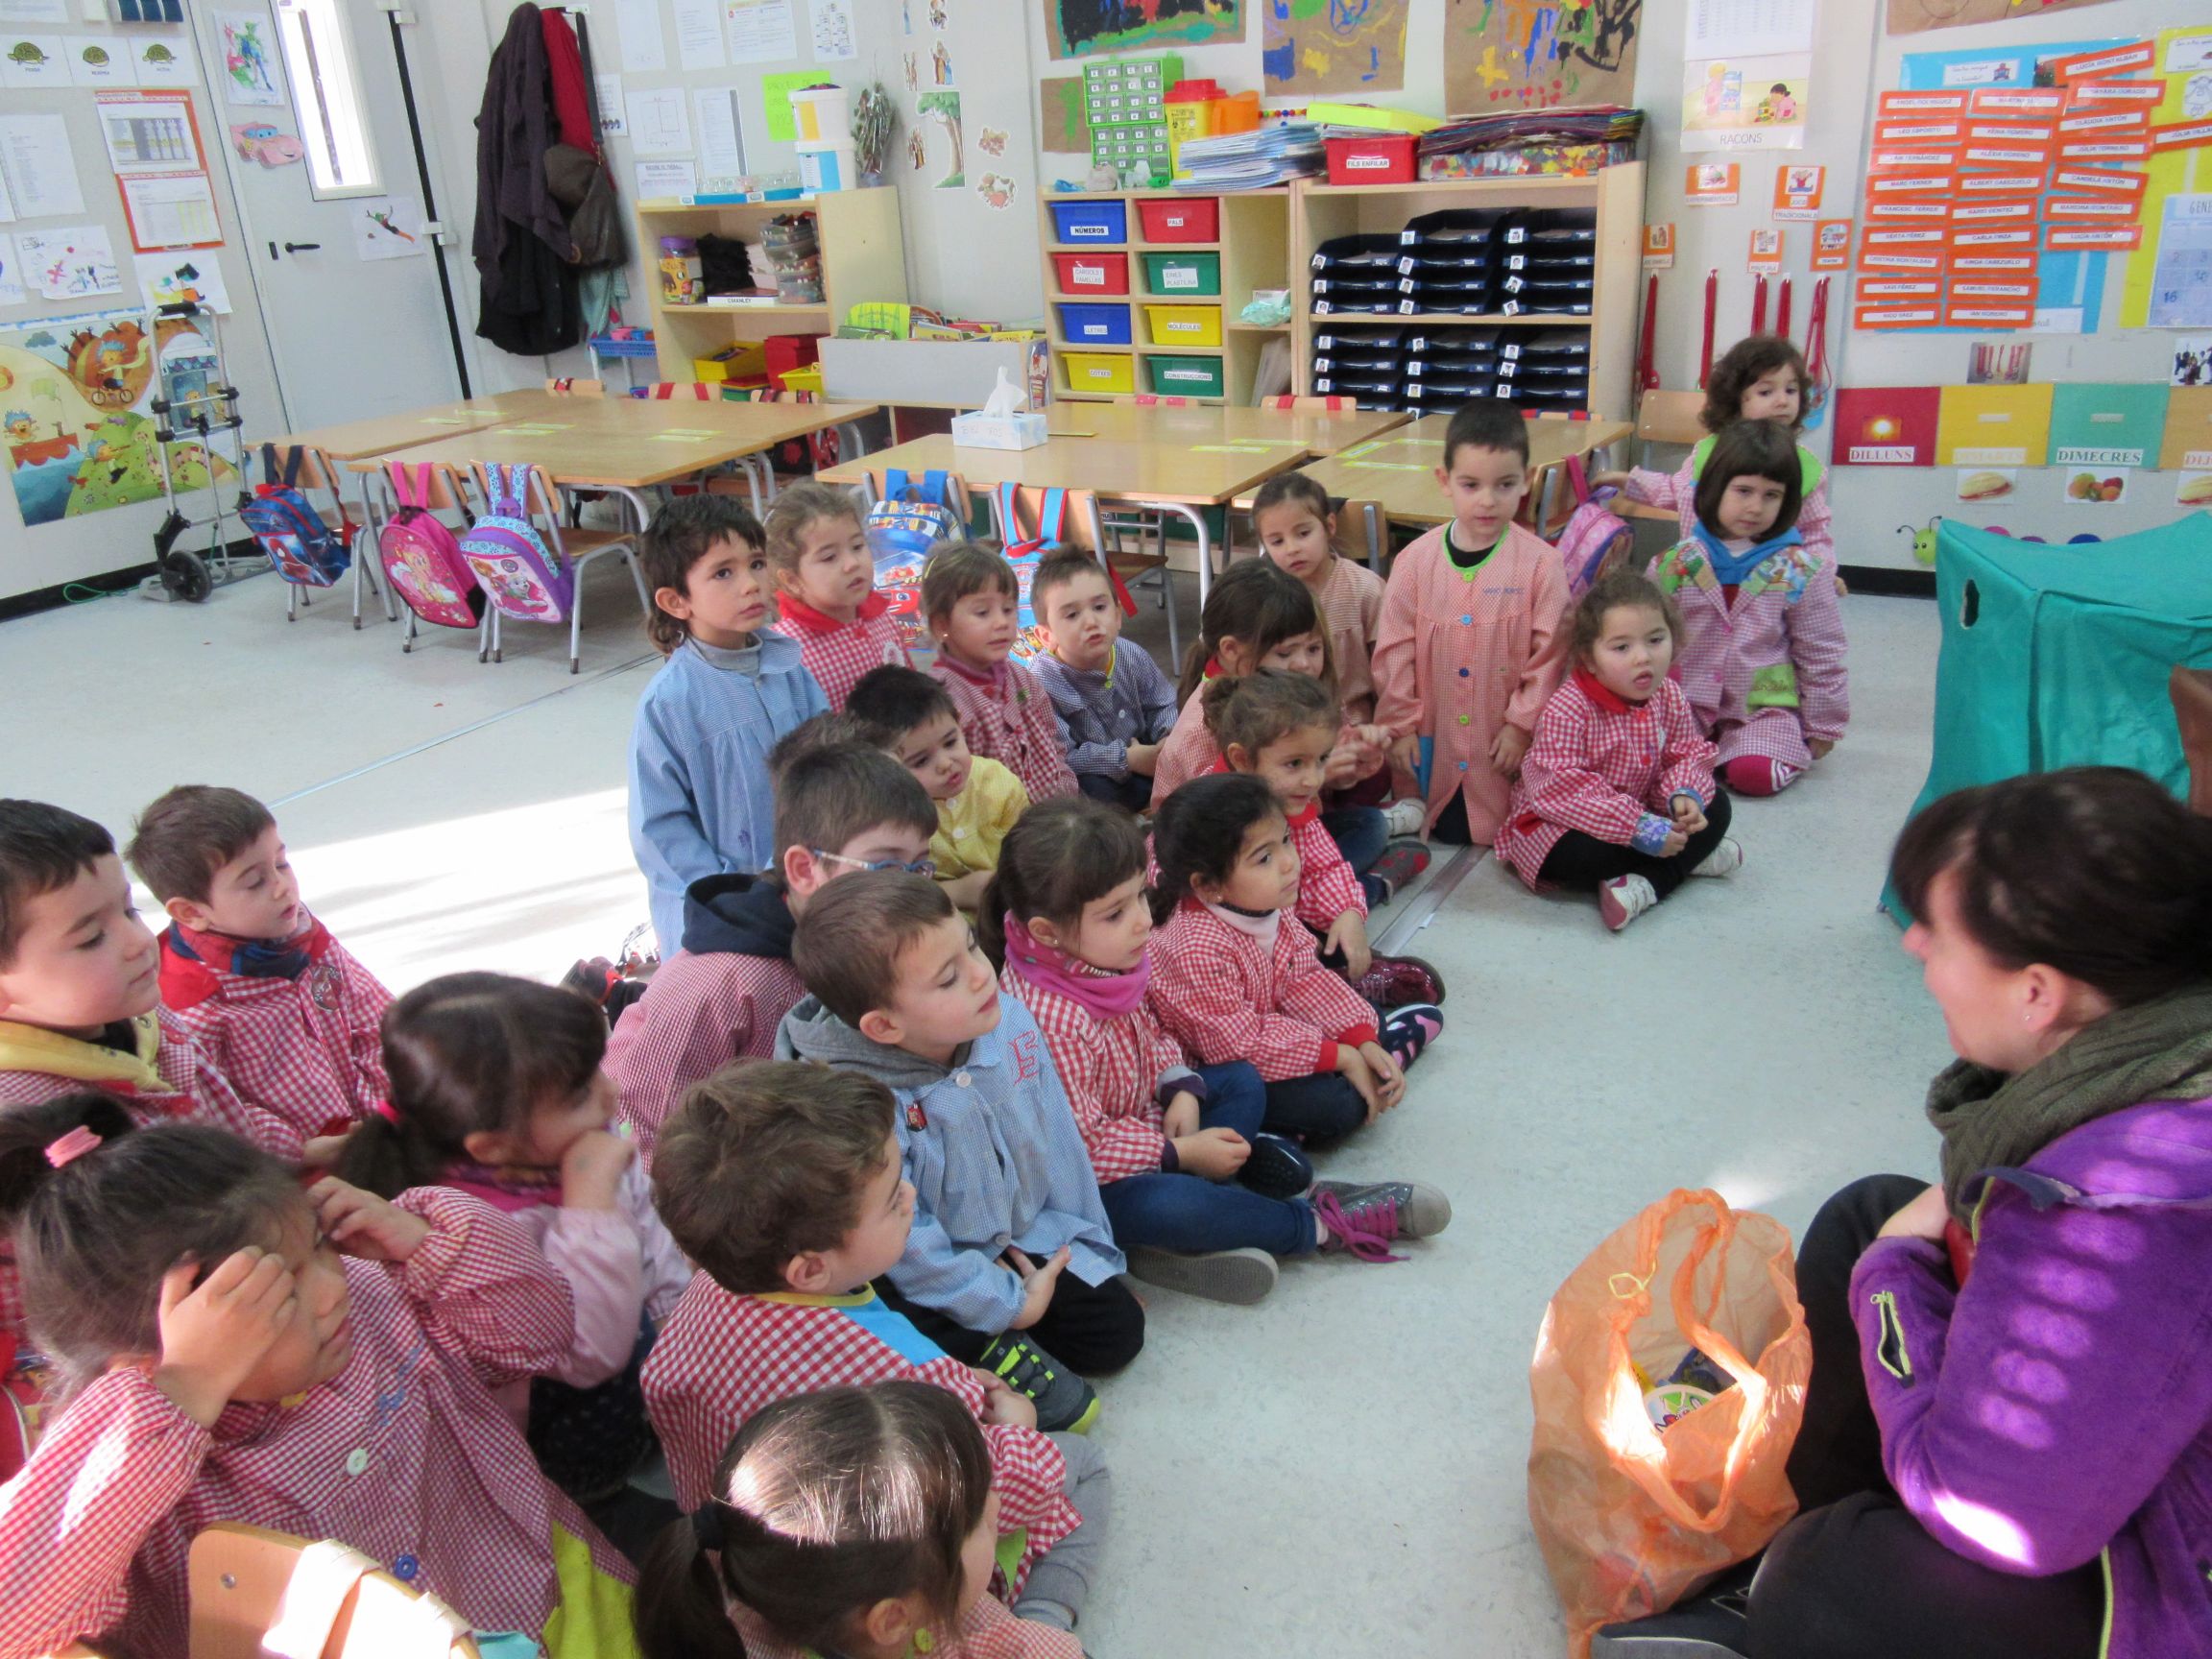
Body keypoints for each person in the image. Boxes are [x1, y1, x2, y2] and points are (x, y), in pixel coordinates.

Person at [1600, 768, 2212, 1659]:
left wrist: (1891, 1276)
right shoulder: (2157, 1052)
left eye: (1942, 934)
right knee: (1868, 1214)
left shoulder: (2112, 1213)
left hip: (2169, 1569)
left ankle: (1796, 1575)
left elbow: (1998, 1517)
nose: (1914, 944)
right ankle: (1766, 1563)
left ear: (2037, 993)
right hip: (2138, 1467)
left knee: (1835, 1582)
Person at [0, 1094, 636, 1659]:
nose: (333, 1289)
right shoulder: (125, 1460)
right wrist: (183, 1391)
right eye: (274, 1293)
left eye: (318, 1243)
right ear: (146, 1357)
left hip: (552, 1602)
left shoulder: (375, 1290)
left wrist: (424, 1242)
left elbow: (539, 1336)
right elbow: (18, 1621)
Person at [642, 1059, 1105, 1631]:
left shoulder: (704, 1295)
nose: (910, 1195)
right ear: (811, 1270)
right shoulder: (909, 1376)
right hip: (897, 1578)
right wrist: (1019, 1426)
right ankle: (1035, 1621)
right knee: (1082, 1463)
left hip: (766, 1568)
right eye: (891, 1200)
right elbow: (997, 1490)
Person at [984, 797, 1450, 1306]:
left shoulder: (1098, 957)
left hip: (1148, 1122)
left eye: (1139, 897)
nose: (1143, 921)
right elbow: (1082, 1149)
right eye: (1116, 913)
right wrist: (1178, 1154)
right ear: (1046, 932)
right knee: (1170, 1205)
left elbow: (1154, 1035)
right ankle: (1315, 1224)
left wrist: (1180, 1086)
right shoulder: (1049, 1019)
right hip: (1095, 1185)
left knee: (1240, 1080)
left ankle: (1199, 1231)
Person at [775, 872, 1141, 1418]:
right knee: (889, 1312)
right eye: (948, 979)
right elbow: (908, 1240)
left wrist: (1093, 1251)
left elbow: (1060, 1143)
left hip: (1017, 1235)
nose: (981, 973)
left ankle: (1013, 1330)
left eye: (971, 945)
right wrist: (1003, 1303)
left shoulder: (1008, 1020)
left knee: (1116, 1334)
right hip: (919, 1269)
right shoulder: (857, 1104)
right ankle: (979, 1354)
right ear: (884, 1026)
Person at [330, 971, 689, 1503]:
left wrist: (676, 1339)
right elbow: (586, 1354)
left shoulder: (580, 1144)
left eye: (596, 1070)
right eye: (580, 1094)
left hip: (635, 1378)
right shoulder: (464, 1229)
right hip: (556, 1440)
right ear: (492, 1147)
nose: (611, 1095)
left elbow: (651, 1245)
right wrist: (590, 1203)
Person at [604, 733, 937, 1166]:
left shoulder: (871, 943)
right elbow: (639, 1128)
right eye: (887, 867)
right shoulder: (722, 983)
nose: (907, 890)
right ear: (804, 869)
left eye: (919, 868)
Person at [633, 1382, 1084, 1659]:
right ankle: (1047, 1611)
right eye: (974, 1523)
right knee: (1088, 1463)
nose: (996, 1506)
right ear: (892, 1620)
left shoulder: (771, 1583)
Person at [1146, 775, 1446, 1160]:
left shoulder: (1263, 903)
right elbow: (1236, 1044)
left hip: (1262, 1036)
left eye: (1286, 840)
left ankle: (1366, 1067)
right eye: (1264, 858)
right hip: (1211, 1071)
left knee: (1367, 1023)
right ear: (1208, 886)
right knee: (1337, 1105)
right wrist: (1340, 1056)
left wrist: (1360, 1041)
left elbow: (1304, 980)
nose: (1290, 862)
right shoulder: (1193, 945)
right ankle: (1267, 1132)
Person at [128, 783, 392, 1140]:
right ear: (192, 912)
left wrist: (387, 1107)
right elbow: (217, 1113)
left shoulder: (302, 932)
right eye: (255, 882)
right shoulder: (190, 1006)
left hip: (377, 1128)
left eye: (281, 863)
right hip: (302, 1159)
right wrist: (300, 1149)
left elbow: (373, 1017)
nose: (282, 886)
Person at [628, 495, 828, 954]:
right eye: (723, 573)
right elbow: (660, 827)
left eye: (756, 563)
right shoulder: (670, 701)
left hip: (805, 886)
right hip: (724, 916)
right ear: (676, 601)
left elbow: (826, 762)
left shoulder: (789, 668)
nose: (751, 584)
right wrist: (729, 894)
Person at [1495, 569, 1743, 932]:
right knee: (1573, 855)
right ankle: (1680, 865)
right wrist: (1637, 827)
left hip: (1643, 812)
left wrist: (1682, 795)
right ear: (1589, 658)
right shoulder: (1569, 707)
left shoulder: (1669, 695)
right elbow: (1561, 791)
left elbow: (1686, 754)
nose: (1643, 657)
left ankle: (1647, 878)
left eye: (1655, 640)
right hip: (1567, 822)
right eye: (1621, 647)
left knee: (1716, 805)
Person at [1373, 397, 1572, 846]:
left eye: (1505, 484)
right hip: (1432, 741)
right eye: (1471, 484)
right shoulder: (1413, 563)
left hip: (1501, 747)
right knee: (1438, 823)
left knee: (1508, 828)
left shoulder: (1543, 566)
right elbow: (1393, 654)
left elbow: (1550, 658)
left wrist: (1521, 725)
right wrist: (1400, 727)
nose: (1487, 500)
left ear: (1527, 480)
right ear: (1445, 481)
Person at [1152, 560, 1410, 895]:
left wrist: (1353, 756)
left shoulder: (1297, 692)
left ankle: (1323, 891)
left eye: (1313, 648)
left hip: (1286, 827)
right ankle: (1360, 890)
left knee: (1370, 825)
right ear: (1231, 651)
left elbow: (1325, 763)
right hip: (1226, 852)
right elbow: (1218, 823)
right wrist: (1317, 775)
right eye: (1285, 653)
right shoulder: (1200, 730)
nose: (1304, 664)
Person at [1203, 672, 1445, 1005]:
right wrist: (1290, 936)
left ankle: (1347, 972)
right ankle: (1374, 890)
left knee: (1341, 935)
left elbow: (1323, 866)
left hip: (1283, 921)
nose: (1313, 780)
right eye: (1294, 764)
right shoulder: (1208, 815)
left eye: (1321, 760)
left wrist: (1347, 912)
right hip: (1227, 953)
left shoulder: (1287, 803)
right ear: (1242, 759)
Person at [1647, 421, 1848, 798]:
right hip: (1685, 703)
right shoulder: (1673, 564)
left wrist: (1824, 725)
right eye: (1743, 491)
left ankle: (1743, 753)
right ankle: (1707, 756)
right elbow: (1647, 643)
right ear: (1714, 488)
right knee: (1640, 763)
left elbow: (1821, 651)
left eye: (1772, 495)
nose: (1755, 507)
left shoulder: (1802, 569)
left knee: (1756, 775)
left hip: (1763, 706)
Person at [1249, 473, 1429, 839]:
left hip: (1351, 732)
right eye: (1277, 541)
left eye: (1303, 533)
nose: (1292, 549)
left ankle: (1342, 823)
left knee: (1371, 771)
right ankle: (1342, 827)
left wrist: (1392, 731)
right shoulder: (1264, 595)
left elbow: (1390, 672)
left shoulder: (1364, 589)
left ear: (1329, 526)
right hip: (1287, 736)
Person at [1592, 334, 1835, 582]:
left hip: (1765, 587)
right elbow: (1676, 491)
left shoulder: (1806, 468)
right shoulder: (1707, 452)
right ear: (1736, 398)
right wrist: (1628, 481)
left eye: (1791, 390)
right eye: (1766, 392)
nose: (1783, 401)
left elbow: (1815, 534)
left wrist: (1822, 574)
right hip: (1701, 577)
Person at [848, 665, 1027, 913]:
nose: (945, 764)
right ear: (885, 768)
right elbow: (894, 893)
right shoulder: (890, 820)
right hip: (935, 919)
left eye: (951, 742)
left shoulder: (999, 782)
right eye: (921, 761)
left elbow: (1028, 854)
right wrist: (959, 891)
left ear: (959, 722)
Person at [921, 541, 1078, 805]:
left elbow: (1052, 740)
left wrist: (1065, 784)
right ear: (941, 625)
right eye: (983, 612)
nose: (1002, 622)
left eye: (1008, 609)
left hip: (1055, 804)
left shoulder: (1021, 676)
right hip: (999, 821)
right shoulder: (944, 701)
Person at [1027, 548, 1178, 813]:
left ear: (1117, 615)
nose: (1091, 621)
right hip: (1097, 773)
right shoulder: (1041, 682)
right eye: (1072, 615)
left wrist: (1167, 738)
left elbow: (1163, 702)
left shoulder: (1130, 653)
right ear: (1047, 636)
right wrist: (1125, 759)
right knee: (1086, 795)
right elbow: (1062, 757)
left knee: (1188, 748)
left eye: (1099, 607)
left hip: (1145, 751)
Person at [761, 481, 913, 710]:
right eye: (829, 557)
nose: (852, 563)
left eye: (857, 546)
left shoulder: (882, 617)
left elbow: (914, 689)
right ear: (792, 580)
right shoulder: (787, 652)